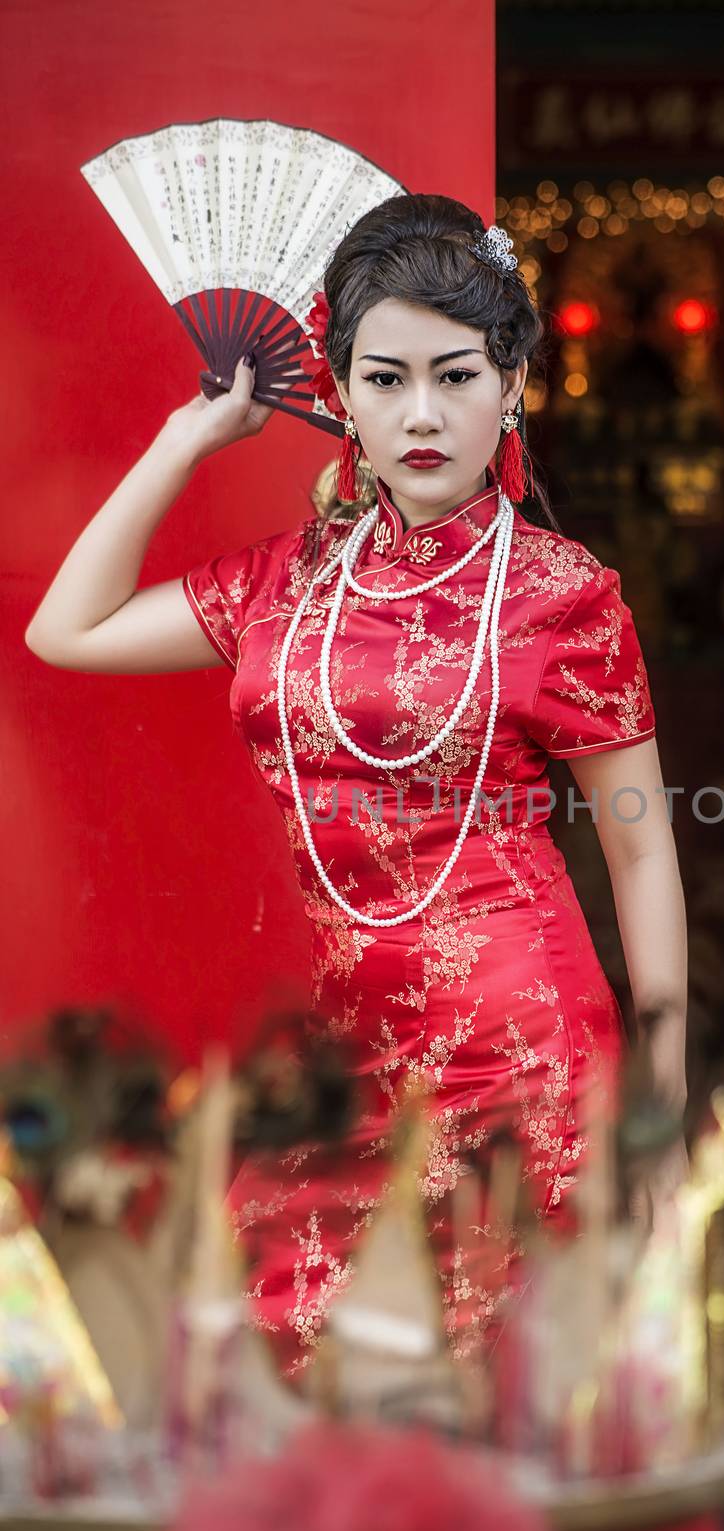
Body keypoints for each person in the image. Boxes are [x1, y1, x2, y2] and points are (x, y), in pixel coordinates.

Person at [24, 194, 690, 1381]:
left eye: (457, 375)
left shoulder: (562, 595)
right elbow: (66, 630)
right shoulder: (288, 584)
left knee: (502, 1406)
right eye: (384, 379)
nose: (422, 414)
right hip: (336, 1058)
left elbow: (638, 844)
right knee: (279, 1380)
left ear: (514, 381)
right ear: (339, 395)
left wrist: (662, 1101)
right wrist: (188, 437)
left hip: (520, 1049)